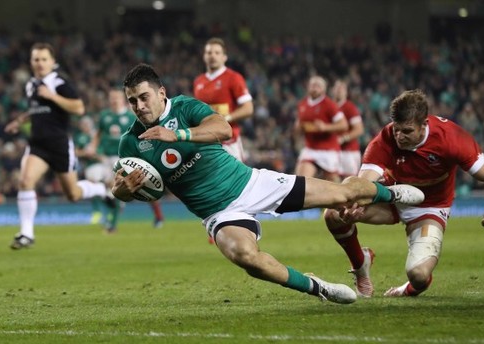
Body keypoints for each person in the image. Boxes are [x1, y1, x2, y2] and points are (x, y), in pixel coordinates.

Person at [111, 63, 425, 304]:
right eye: (132, 101)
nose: (139, 106)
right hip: (218, 213)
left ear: (161, 93)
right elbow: (121, 185)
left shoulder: (184, 107)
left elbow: (223, 129)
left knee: (343, 194)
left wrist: (178, 134)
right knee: (247, 259)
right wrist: (123, 192)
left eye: (144, 97)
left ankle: (390, 192)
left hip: (253, 183)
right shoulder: (130, 142)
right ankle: (318, 287)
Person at [323, 89, 484, 298]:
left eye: (407, 131)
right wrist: (353, 206)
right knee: (333, 215)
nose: (400, 137)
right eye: (396, 129)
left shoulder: (451, 138)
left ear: (424, 125)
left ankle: (408, 289)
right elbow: (362, 184)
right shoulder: (384, 140)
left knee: (418, 275)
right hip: (391, 197)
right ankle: (360, 264)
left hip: (430, 206)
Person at [4, 42, 110, 249]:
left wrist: (52, 96)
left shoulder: (59, 83)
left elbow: (79, 108)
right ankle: (26, 234)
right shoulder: (31, 85)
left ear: (52, 62)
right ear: (31, 62)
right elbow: (37, 110)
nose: (40, 63)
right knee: (25, 181)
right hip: (38, 145)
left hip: (59, 145)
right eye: (36, 59)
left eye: (44, 59)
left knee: (73, 195)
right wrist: (20, 121)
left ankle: (98, 188)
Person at [84, 88, 164, 232]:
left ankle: (158, 216)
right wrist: (93, 147)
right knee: (112, 189)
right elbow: (98, 134)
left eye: (117, 98)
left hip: (127, 158)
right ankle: (111, 223)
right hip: (107, 158)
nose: (114, 101)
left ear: (123, 100)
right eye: (112, 98)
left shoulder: (131, 116)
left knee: (146, 187)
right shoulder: (105, 116)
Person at [193, 37, 253, 162]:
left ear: (224, 57)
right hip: (206, 141)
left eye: (217, 53)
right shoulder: (198, 81)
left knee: (237, 179)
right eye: (209, 52)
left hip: (229, 140)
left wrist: (226, 118)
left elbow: (248, 108)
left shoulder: (233, 78)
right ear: (204, 56)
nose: (212, 56)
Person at [294, 75, 348, 182]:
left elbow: (344, 125)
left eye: (317, 86)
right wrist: (297, 130)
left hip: (328, 150)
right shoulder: (302, 104)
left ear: (323, 89)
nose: (314, 88)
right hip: (310, 149)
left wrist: (325, 127)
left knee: (333, 183)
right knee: (301, 180)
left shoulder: (329, 104)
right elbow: (299, 124)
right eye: (312, 85)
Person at [331, 79, 365, 177]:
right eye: (337, 88)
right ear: (332, 90)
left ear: (346, 92)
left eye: (341, 88)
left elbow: (359, 129)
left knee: (349, 182)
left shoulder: (349, 107)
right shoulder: (330, 107)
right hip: (333, 151)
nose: (339, 90)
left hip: (348, 152)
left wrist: (343, 138)